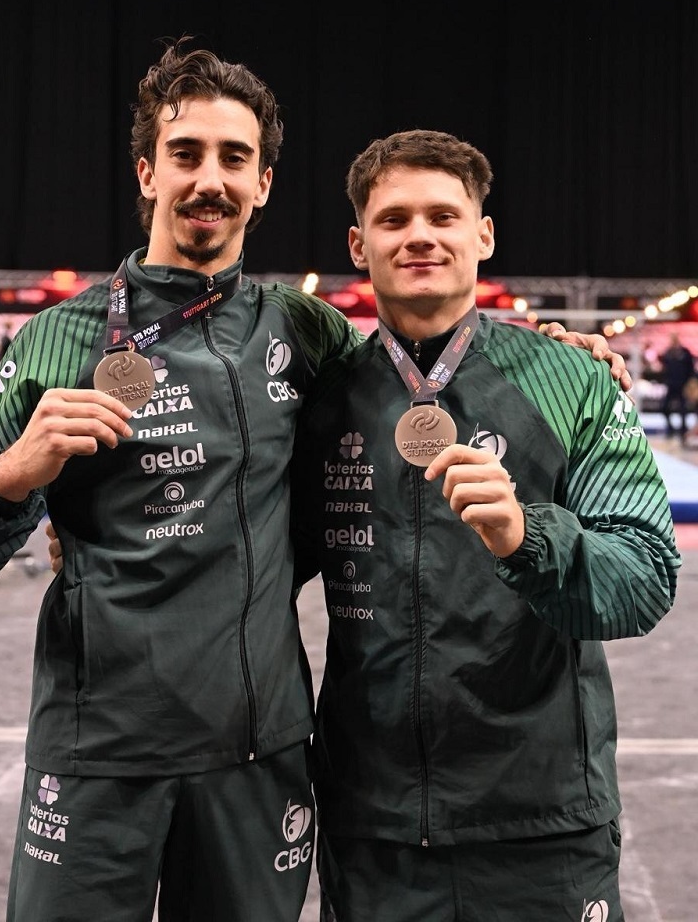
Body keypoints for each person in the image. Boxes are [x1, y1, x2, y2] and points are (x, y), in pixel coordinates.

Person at [0, 35, 630, 922]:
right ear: (147, 172)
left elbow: (415, 370)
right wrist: (14, 475)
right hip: (95, 749)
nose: (208, 178)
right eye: (185, 154)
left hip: (260, 758)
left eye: (234, 158)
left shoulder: (310, 332)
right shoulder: (55, 341)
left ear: (261, 183)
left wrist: (563, 355)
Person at [288, 129, 680, 921]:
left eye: (444, 214)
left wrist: (527, 538)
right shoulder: (320, 401)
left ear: (483, 234)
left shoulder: (571, 377)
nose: (421, 235)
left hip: (542, 826)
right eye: (395, 220)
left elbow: (645, 575)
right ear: (360, 246)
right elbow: (245, 552)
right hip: (375, 829)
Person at [658, 330, 696, 443]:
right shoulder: (668, 353)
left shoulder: (685, 353)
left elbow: (691, 369)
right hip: (671, 385)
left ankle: (683, 431)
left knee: (683, 410)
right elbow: (664, 369)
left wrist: (691, 383)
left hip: (683, 385)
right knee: (664, 407)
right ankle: (671, 429)